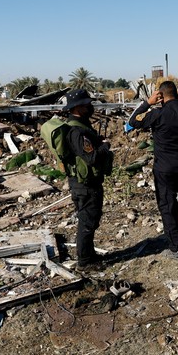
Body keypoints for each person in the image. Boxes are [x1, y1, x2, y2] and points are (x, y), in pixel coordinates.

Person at [128, 80, 178, 260]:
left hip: (164, 169)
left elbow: (133, 121)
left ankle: (175, 248)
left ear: (161, 96)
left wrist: (147, 103)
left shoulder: (156, 114)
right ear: (177, 94)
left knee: (168, 206)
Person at [61, 89, 113, 269]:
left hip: (87, 183)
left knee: (91, 219)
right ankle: (84, 262)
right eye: (87, 105)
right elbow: (91, 158)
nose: (90, 107)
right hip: (85, 185)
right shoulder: (76, 131)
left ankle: (89, 255)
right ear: (78, 107)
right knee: (87, 222)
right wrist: (105, 147)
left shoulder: (81, 126)